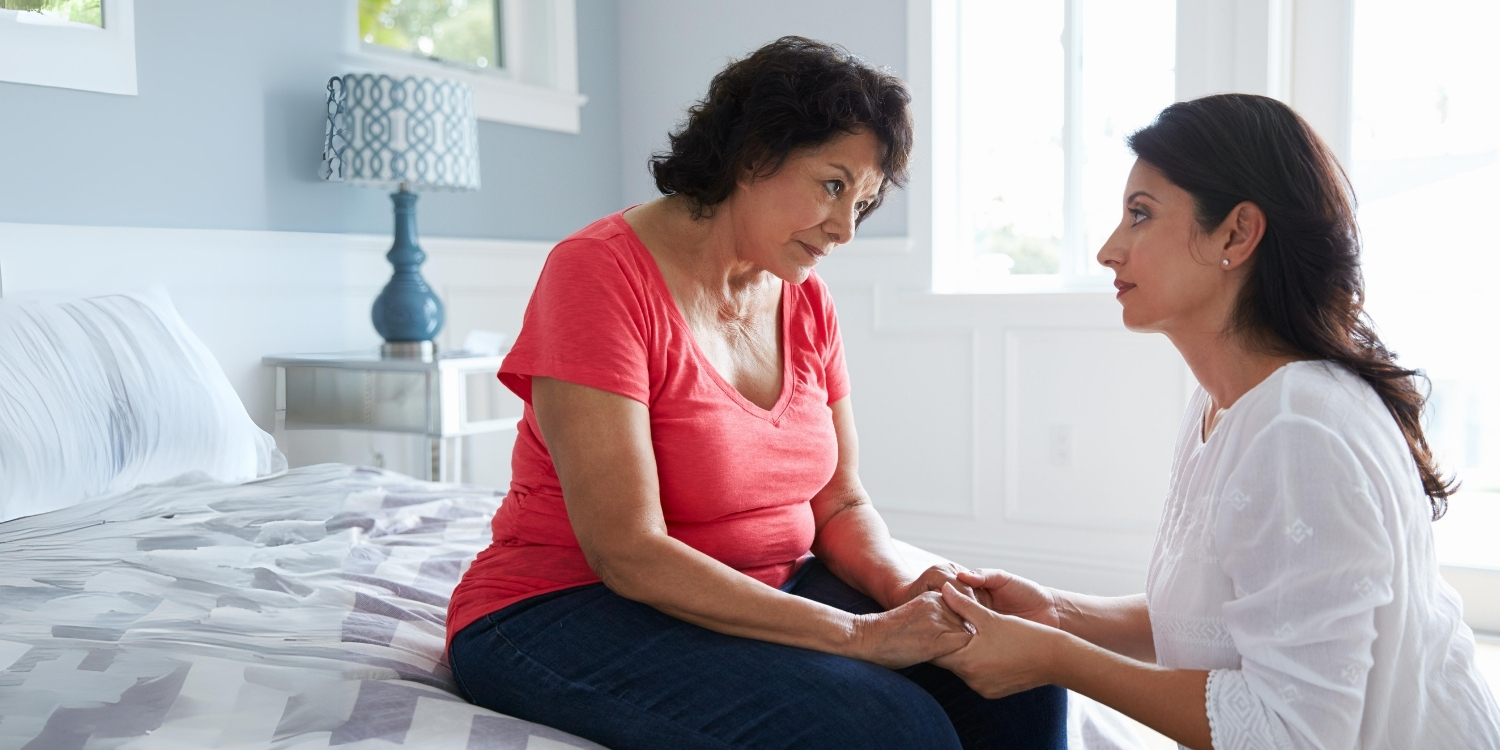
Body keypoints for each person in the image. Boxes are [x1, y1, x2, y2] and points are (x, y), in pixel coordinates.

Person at [445, 36, 1067, 750]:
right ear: (753, 155)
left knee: (1020, 672)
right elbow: (627, 551)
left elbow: (840, 501)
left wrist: (907, 589)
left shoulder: (805, 299)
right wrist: (858, 636)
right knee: (889, 727)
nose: (843, 229)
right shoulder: (596, 276)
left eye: (861, 202)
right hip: (563, 607)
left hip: (771, 585)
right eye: (833, 185)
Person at [930, 93, 1500, 749]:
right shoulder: (1226, 404)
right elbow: (1245, 618)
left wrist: (1054, 657)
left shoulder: (1299, 428)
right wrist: (1060, 614)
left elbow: (1292, 733)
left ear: (1236, 233)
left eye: (1140, 216)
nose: (1109, 251)